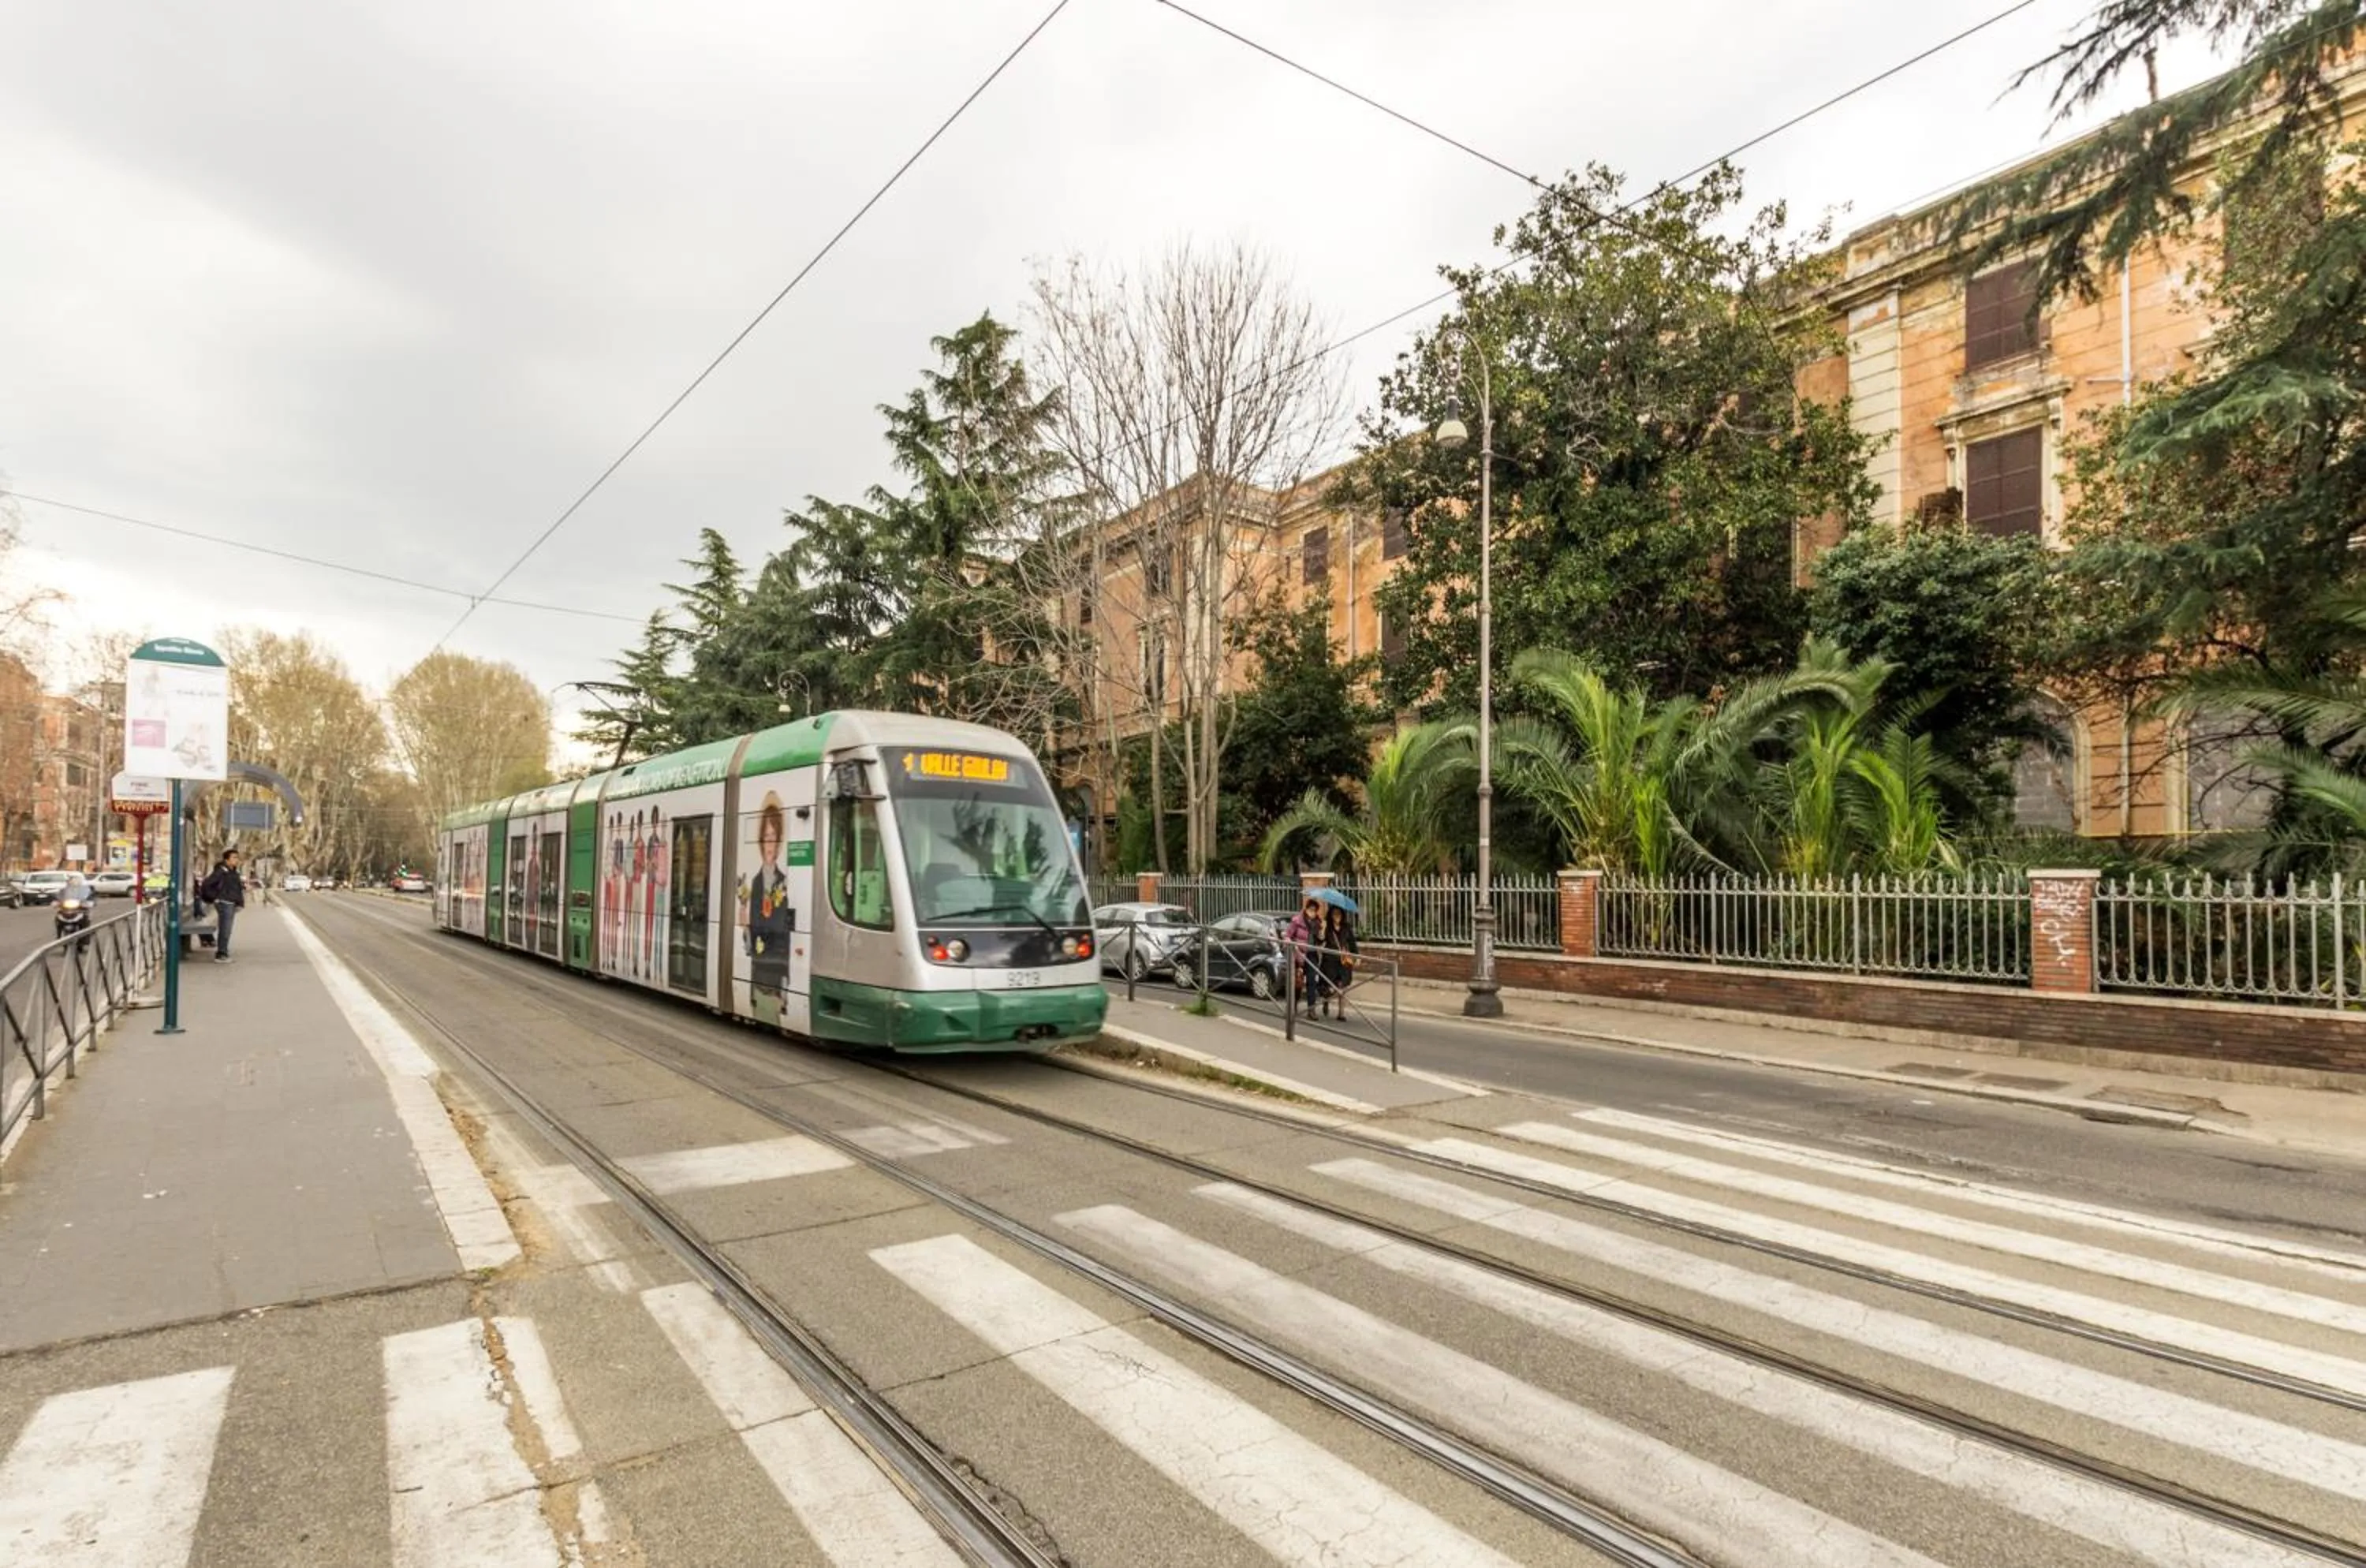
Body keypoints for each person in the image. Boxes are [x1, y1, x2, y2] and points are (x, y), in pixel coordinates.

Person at [746, 793, 793, 1019]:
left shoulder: (783, 882)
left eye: (774, 837)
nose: (769, 844)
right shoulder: (755, 883)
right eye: (766, 837)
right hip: (758, 969)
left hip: (776, 970)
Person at [199, 849, 248, 963]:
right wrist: (215, 897)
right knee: (225, 929)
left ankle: (223, 951)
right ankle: (221, 954)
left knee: (227, 929)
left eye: (237, 858)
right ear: (227, 860)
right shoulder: (221, 871)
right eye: (234, 858)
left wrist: (240, 903)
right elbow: (207, 884)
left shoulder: (233, 872)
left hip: (230, 903)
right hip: (225, 903)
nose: (237, 860)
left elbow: (236, 889)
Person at [1282, 896, 1325, 1017]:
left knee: (1312, 982)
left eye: (1314, 910)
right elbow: (1287, 935)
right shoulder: (1297, 921)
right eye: (1310, 909)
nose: (1312, 912)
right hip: (1298, 955)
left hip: (1312, 955)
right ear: (1306, 909)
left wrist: (1321, 937)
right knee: (1297, 983)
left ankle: (1311, 1010)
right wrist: (1291, 945)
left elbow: (1320, 942)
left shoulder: (1318, 923)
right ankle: (1293, 1006)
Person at [1317, 903, 1360, 1019]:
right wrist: (1323, 929)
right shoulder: (1328, 928)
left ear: (1342, 915)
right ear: (1331, 915)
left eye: (1339, 914)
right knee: (1330, 987)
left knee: (1343, 986)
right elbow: (1320, 942)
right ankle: (1326, 1000)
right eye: (1335, 914)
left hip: (1343, 961)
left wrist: (1357, 957)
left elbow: (1352, 943)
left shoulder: (1347, 927)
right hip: (1329, 962)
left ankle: (1341, 1014)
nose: (1337, 916)